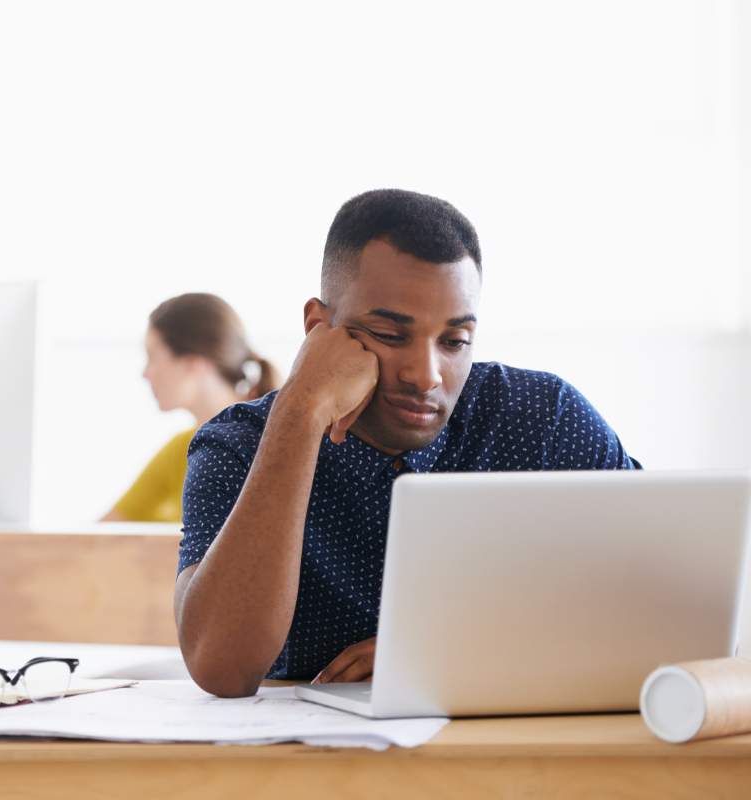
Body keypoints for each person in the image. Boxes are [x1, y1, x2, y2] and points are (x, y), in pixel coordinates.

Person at [174, 189, 641, 697]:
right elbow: (221, 668)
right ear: (318, 328)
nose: (426, 376)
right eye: (390, 336)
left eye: (454, 341)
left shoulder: (544, 420)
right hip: (308, 765)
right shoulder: (235, 446)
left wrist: (455, 651)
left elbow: (658, 599)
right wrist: (301, 413)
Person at [102, 293, 279, 523]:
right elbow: (96, 538)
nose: (145, 373)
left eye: (152, 357)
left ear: (193, 363)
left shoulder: (271, 444)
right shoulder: (180, 449)